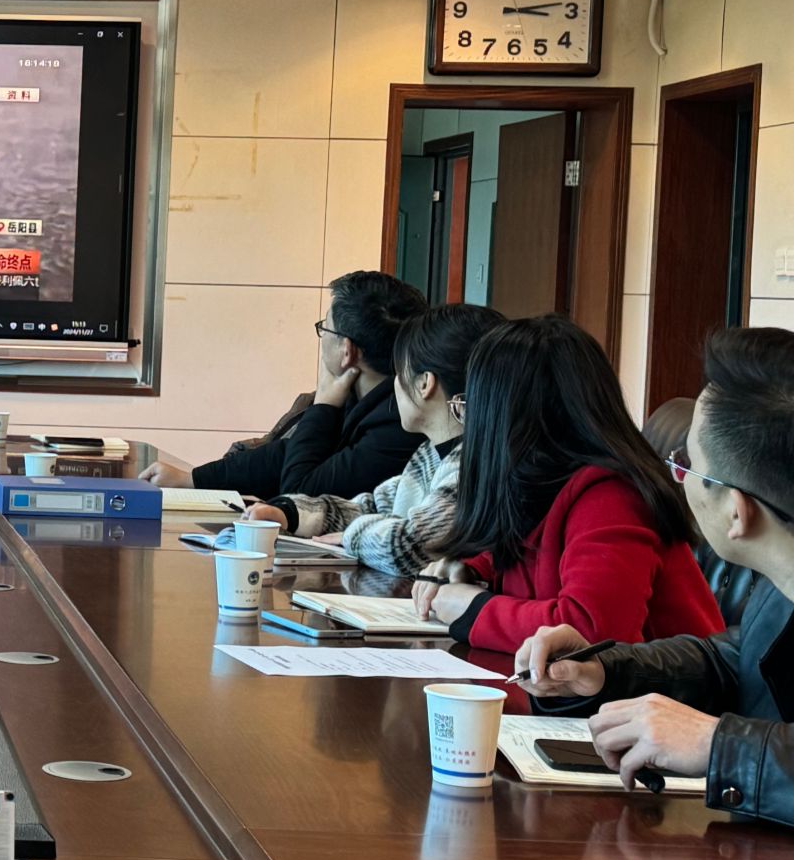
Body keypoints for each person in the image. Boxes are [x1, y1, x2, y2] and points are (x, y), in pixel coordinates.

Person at [517, 328, 794, 823]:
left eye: (687, 467)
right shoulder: (779, 583)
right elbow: (739, 661)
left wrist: (718, 746)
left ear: (736, 511)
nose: (678, 480)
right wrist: (606, 670)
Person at [411, 314, 721, 654]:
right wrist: (472, 571)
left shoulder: (613, 495)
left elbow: (591, 632)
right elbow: (527, 554)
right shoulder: (542, 482)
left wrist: (474, 609)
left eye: (471, 409)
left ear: (511, 420)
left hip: (668, 688)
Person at [248, 303, 502, 575]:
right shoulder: (430, 453)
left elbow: (405, 547)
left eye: (399, 372)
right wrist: (289, 513)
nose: (394, 385)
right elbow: (374, 507)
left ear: (425, 383)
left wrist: (351, 537)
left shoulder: (474, 465)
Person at [141, 270, 427, 500]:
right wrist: (192, 479)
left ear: (347, 351)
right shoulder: (361, 397)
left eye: (325, 328)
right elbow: (285, 454)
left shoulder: (397, 425)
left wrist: (324, 405)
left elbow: (300, 494)